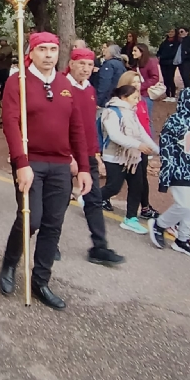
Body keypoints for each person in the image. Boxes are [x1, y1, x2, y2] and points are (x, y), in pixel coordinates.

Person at [0, 32, 91, 310]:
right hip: (31, 162)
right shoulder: (19, 82)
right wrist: (21, 162)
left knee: (53, 224)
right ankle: (9, 264)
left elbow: (76, 128)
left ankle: (41, 281)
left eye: (53, 49)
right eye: (43, 49)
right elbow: (11, 123)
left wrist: (83, 167)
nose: (49, 55)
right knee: (32, 219)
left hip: (61, 165)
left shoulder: (64, 84)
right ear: (32, 52)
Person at [65, 49, 124, 266]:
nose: (86, 69)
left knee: (94, 199)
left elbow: (90, 127)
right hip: (63, 154)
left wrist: (95, 154)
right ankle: (49, 244)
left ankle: (99, 246)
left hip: (86, 154)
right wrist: (69, 156)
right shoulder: (61, 87)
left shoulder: (89, 89)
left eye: (90, 65)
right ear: (71, 63)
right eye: (81, 64)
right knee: (58, 200)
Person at [148, 88, 190, 258]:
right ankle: (159, 224)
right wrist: (168, 171)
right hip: (180, 172)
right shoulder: (175, 122)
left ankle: (183, 239)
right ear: (189, 100)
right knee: (184, 205)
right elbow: (167, 149)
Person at [99, 84, 159, 235]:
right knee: (113, 187)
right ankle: (90, 199)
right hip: (115, 157)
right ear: (123, 97)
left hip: (133, 157)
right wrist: (138, 145)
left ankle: (131, 218)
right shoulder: (110, 112)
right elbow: (115, 136)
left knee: (136, 186)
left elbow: (142, 133)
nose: (137, 101)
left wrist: (158, 151)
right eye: (134, 98)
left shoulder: (131, 113)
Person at [112, 71, 161, 221]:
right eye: (133, 82)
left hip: (142, 145)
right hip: (126, 147)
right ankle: (100, 198)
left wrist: (152, 147)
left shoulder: (143, 101)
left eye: (138, 82)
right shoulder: (119, 106)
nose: (137, 85)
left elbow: (145, 125)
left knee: (140, 180)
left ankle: (143, 208)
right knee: (116, 183)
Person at [132, 43, 160, 122]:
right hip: (136, 94)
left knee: (146, 119)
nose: (132, 53)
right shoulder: (137, 63)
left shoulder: (151, 62)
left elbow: (155, 78)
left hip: (146, 94)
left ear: (142, 52)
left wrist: (141, 86)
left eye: (135, 51)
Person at [157, 28, 180, 101]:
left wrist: (163, 56)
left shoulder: (177, 43)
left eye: (172, 32)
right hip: (163, 63)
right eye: (169, 31)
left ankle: (173, 95)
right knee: (165, 79)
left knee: (170, 78)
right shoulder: (164, 42)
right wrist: (158, 56)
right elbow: (159, 51)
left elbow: (174, 53)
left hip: (171, 63)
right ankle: (167, 95)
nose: (170, 33)